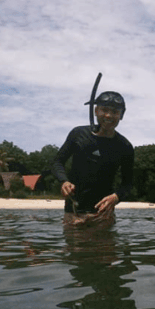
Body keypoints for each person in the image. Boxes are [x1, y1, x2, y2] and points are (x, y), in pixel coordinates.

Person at [52, 90, 134, 226]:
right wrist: (64, 181)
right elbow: (57, 162)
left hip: (103, 216)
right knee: (73, 247)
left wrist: (116, 197)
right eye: (104, 110)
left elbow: (128, 184)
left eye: (114, 112)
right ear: (96, 111)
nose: (108, 115)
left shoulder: (124, 146)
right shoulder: (78, 134)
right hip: (73, 214)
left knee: (104, 247)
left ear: (121, 115)